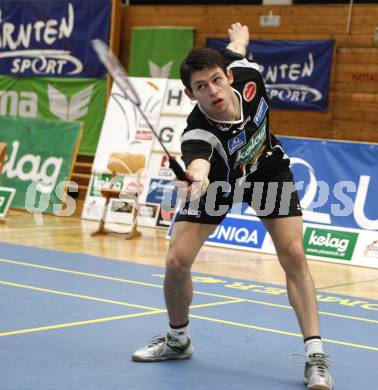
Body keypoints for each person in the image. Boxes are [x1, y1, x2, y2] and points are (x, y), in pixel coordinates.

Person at [132, 23, 334, 390]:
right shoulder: (198, 132)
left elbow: (236, 47)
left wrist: (239, 37)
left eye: (214, 80)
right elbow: (199, 164)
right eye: (200, 87)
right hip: (218, 183)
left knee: (293, 253)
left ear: (228, 75)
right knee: (177, 261)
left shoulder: (249, 75)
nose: (212, 91)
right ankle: (178, 341)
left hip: (266, 170)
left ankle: (315, 356)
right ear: (191, 95)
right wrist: (197, 179)